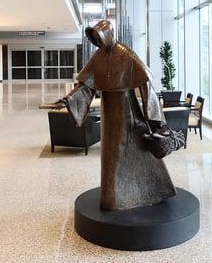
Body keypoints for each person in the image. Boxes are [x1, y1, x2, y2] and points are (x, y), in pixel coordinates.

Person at [40, 20, 182, 211]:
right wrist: (67, 101)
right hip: (109, 110)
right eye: (95, 37)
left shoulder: (126, 54)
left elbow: (146, 85)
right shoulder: (98, 56)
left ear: (108, 34)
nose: (97, 40)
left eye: (99, 35)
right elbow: (85, 86)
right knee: (111, 154)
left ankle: (119, 198)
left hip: (126, 111)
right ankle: (118, 196)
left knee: (120, 153)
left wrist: (156, 119)